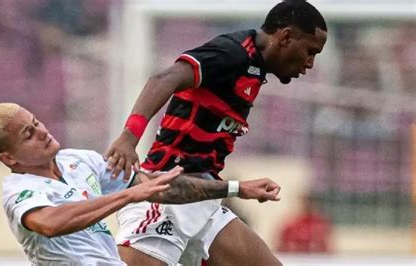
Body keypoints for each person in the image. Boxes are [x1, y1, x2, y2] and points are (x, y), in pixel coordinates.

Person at [105, 0, 327, 265]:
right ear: (286, 36)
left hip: (203, 201)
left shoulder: (254, 67)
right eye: (310, 51)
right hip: (167, 196)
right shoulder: (232, 53)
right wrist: (129, 137)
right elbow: (163, 79)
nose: (310, 63)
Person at [0, 102, 281, 265]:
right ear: (9, 158)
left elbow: (158, 187)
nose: (42, 132)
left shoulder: (78, 161)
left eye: (36, 122)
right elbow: (52, 223)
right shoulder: (18, 192)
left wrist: (236, 188)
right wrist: (131, 196)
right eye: (28, 135)